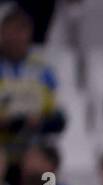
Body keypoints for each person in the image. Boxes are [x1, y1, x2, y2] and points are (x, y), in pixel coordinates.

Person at [0, 4, 63, 151]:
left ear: (30, 33)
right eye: (12, 31)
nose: (16, 37)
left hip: (32, 147)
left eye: (21, 31)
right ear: (2, 32)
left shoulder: (43, 70)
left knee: (44, 163)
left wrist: (40, 121)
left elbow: (57, 115)